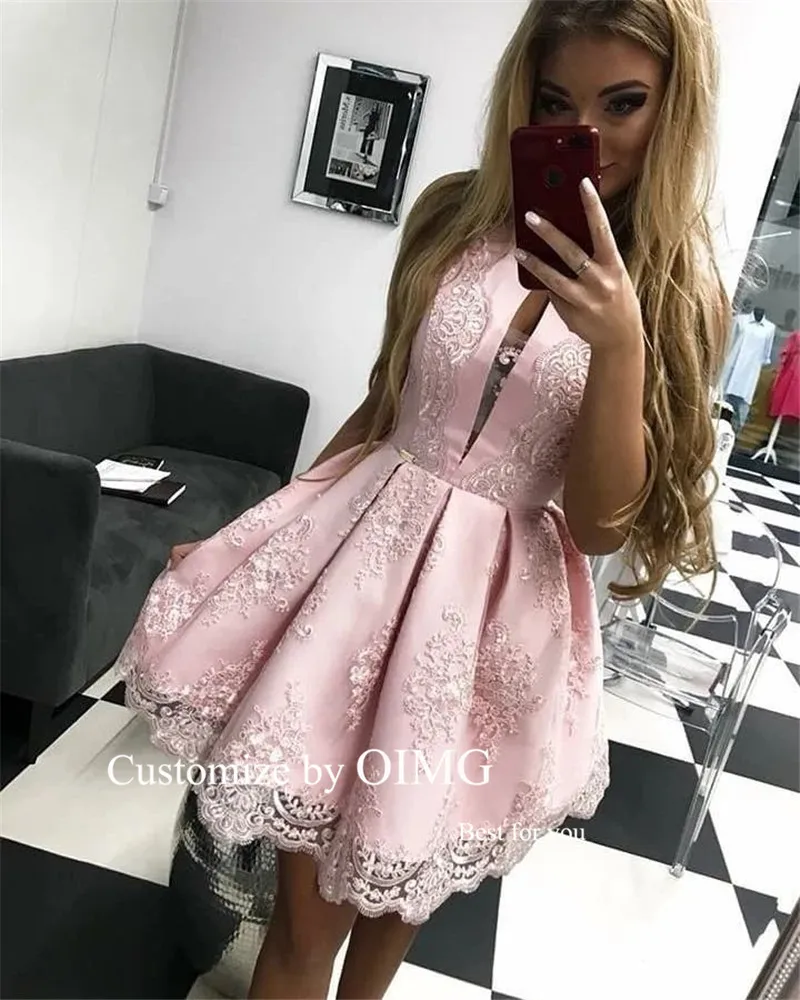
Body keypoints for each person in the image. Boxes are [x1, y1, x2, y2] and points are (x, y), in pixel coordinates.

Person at [118, 1, 728, 997]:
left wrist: (619, 342)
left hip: (488, 638)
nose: (587, 135)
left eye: (623, 104)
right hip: (359, 587)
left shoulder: (672, 291)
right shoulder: (451, 218)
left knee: (392, 921)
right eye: (555, 102)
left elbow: (599, 523)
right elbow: (381, 407)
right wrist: (253, 540)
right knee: (301, 930)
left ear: (676, 107)